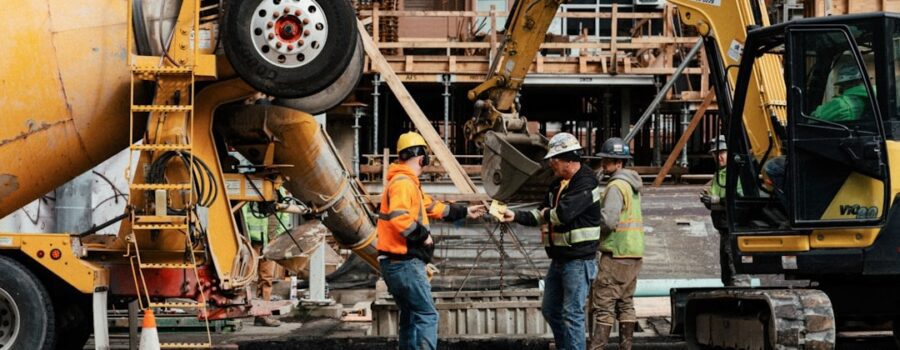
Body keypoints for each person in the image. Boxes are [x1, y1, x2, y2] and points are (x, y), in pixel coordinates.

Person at [376, 131, 485, 350]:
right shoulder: (403, 184)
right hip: (405, 264)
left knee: (410, 316)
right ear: (422, 157)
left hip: (395, 264)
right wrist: (423, 236)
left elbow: (432, 206)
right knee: (427, 315)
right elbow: (399, 217)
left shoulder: (406, 182)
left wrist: (465, 211)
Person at [501, 132, 601, 350]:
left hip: (578, 260)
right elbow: (540, 213)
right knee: (551, 309)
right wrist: (515, 215)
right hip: (559, 259)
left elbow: (563, 214)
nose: (551, 165)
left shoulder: (585, 181)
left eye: (554, 160)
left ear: (568, 159)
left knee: (572, 314)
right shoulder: (558, 184)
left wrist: (547, 213)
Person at [588, 137, 643, 350]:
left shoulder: (615, 186)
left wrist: (591, 222)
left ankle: (597, 347)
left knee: (604, 304)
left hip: (616, 253)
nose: (603, 164)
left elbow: (609, 221)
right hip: (633, 252)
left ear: (619, 163)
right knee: (626, 303)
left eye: (607, 161)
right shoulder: (632, 185)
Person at [700, 136, 749, 287]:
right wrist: (708, 200)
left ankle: (741, 292)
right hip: (724, 226)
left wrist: (717, 201)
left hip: (733, 226)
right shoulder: (719, 174)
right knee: (726, 270)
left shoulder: (734, 174)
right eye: (715, 154)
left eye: (722, 152)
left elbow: (739, 199)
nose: (718, 157)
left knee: (735, 266)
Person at [241, 197, 292, 327]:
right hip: (251, 240)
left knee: (266, 278)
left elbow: (285, 213)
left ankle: (262, 315)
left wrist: (277, 236)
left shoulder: (278, 192)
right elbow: (243, 212)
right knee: (245, 276)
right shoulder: (250, 191)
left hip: (269, 240)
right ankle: (239, 309)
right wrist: (245, 236)